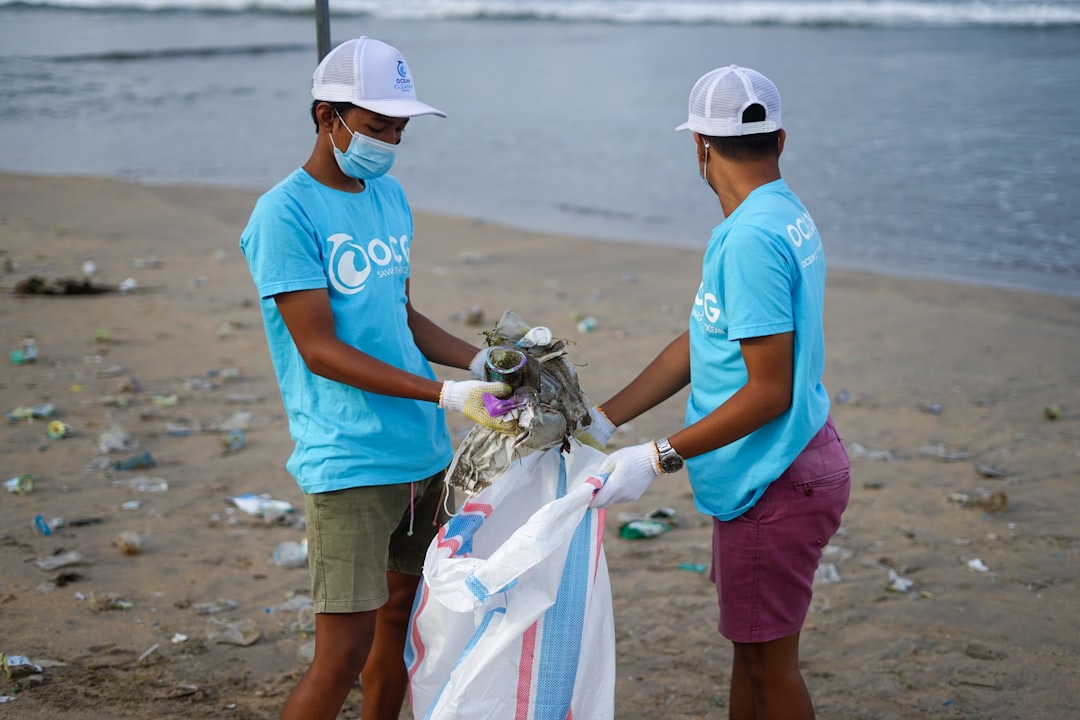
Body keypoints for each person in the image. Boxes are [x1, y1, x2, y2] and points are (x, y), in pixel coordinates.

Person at [239, 36, 510, 720]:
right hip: (350, 459)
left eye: (399, 128)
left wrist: (478, 362)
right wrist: (445, 393)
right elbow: (319, 349)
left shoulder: (388, 197)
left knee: (402, 629)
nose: (390, 141)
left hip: (422, 455)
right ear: (327, 117)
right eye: (375, 126)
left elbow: (401, 313)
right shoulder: (285, 213)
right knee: (342, 654)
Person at [583, 65, 851, 720]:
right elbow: (705, 338)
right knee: (751, 651)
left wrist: (657, 456)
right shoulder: (781, 212)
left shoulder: (750, 239)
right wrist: (603, 419)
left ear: (699, 145)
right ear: (780, 142)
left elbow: (769, 391)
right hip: (794, 463)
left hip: (775, 478)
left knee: (771, 667)